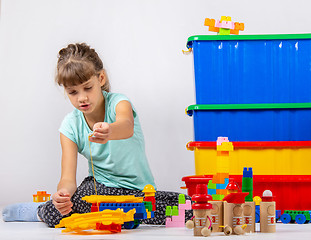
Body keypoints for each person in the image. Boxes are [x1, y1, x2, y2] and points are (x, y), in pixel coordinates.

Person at [2, 43, 192, 227]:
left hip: (139, 192)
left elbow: (126, 126)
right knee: (61, 210)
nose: (82, 98)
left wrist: (110, 131)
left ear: (101, 78)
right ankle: (40, 211)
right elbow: (68, 178)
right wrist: (63, 195)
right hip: (99, 189)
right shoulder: (69, 127)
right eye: (73, 92)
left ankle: (108, 212)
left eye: (87, 87)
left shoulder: (119, 103)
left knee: (187, 208)